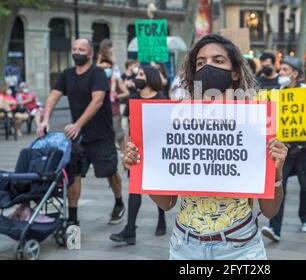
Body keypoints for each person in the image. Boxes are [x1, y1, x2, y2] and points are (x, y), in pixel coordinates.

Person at [122, 34, 287, 260]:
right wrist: (143, 167)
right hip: (184, 247)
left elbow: (270, 211)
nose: (207, 67)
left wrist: (276, 173)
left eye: (218, 61)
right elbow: (167, 203)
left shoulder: (256, 122)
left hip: (240, 248)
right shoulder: (178, 121)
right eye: (201, 63)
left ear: (235, 71)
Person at [37, 39, 126, 226]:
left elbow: (98, 100)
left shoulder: (98, 73)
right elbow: (53, 96)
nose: (77, 52)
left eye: (81, 49)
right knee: (74, 174)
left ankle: (119, 202)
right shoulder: (67, 74)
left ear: (90, 54)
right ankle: (73, 218)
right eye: (75, 49)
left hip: (101, 134)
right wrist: (45, 119)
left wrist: (77, 124)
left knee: (109, 172)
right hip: (77, 138)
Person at [261, 56, 306, 241]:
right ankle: (274, 228)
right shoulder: (276, 92)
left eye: (285, 70)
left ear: (295, 73)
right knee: (280, 184)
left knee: (305, 185)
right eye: (281, 70)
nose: (280, 73)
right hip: (284, 149)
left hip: (303, 148)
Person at [110, 65, 167, 244]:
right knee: (134, 189)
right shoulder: (133, 99)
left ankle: (161, 219)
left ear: (150, 78)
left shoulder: (161, 100)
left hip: (157, 151)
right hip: (137, 151)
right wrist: (127, 150)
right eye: (138, 74)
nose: (137, 76)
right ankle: (130, 230)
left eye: (141, 74)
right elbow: (128, 127)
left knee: (157, 188)